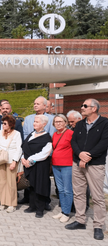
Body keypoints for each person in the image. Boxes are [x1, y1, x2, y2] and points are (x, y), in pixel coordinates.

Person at [66, 99, 108, 241]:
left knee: (97, 197)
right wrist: (80, 155)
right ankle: (80, 220)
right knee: (78, 193)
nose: (82, 108)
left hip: (95, 164)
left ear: (94, 108)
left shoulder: (105, 123)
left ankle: (98, 226)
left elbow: (104, 143)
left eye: (85, 106)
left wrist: (88, 156)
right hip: (78, 163)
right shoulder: (80, 124)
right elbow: (74, 141)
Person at [20, 96, 55, 206]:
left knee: (43, 179)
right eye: (34, 103)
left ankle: (45, 201)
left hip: (43, 154)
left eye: (38, 103)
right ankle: (28, 199)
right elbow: (25, 134)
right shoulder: (29, 118)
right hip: (28, 153)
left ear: (45, 106)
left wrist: (49, 155)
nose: (35, 105)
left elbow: (52, 136)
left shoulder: (51, 119)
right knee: (28, 177)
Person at [21, 115, 52, 218]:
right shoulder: (31, 134)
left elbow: (45, 153)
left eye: (37, 122)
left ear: (44, 124)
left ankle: (40, 209)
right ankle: (32, 206)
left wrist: (30, 160)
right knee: (31, 186)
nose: (34, 123)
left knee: (40, 186)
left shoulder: (47, 137)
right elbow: (24, 147)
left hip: (40, 166)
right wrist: (23, 159)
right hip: (28, 165)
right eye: (34, 121)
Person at [0, 101, 24, 190]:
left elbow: (20, 141)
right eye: (3, 108)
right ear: (0, 108)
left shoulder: (17, 122)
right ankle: (0, 197)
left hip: (11, 156)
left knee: (11, 179)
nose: (5, 110)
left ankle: (11, 196)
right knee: (0, 178)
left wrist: (17, 158)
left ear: (11, 110)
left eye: (7, 108)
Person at [0, 115, 22, 213]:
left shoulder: (17, 134)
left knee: (11, 183)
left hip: (11, 160)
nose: (3, 125)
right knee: (2, 182)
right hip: (1, 160)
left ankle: (12, 204)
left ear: (11, 124)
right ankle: (3, 202)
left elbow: (19, 148)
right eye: (2, 123)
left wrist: (15, 161)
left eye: (5, 123)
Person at [51, 114, 73, 223]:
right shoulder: (55, 134)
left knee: (67, 189)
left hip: (67, 165)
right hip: (55, 164)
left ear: (65, 122)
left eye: (60, 121)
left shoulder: (70, 133)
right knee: (60, 189)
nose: (58, 123)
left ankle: (67, 213)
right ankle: (63, 210)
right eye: (56, 122)